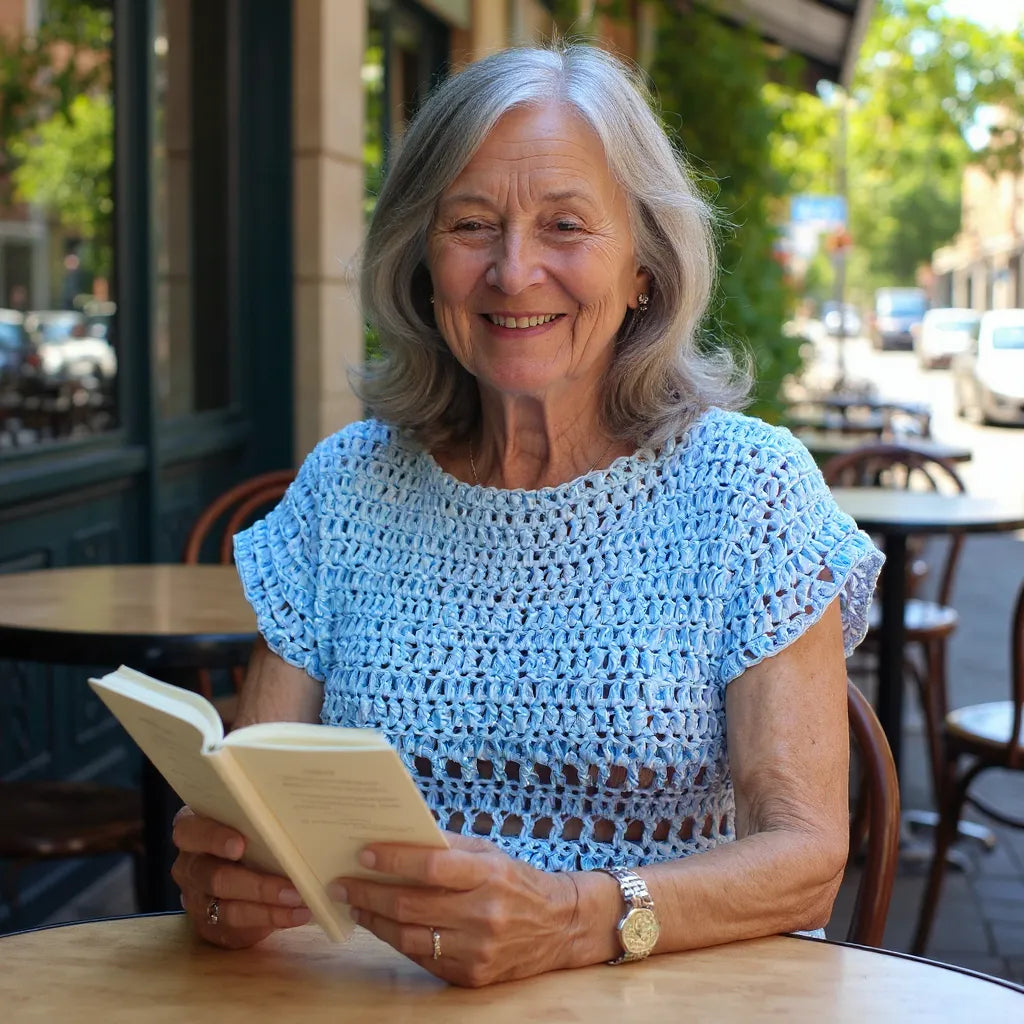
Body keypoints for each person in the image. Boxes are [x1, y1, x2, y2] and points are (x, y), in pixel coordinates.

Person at [172, 43, 883, 987]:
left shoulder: (745, 490)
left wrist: (580, 918)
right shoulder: (344, 491)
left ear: (644, 268)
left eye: (565, 225)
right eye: (471, 224)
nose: (514, 271)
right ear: (422, 260)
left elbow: (804, 860)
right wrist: (226, 882)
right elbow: (259, 807)